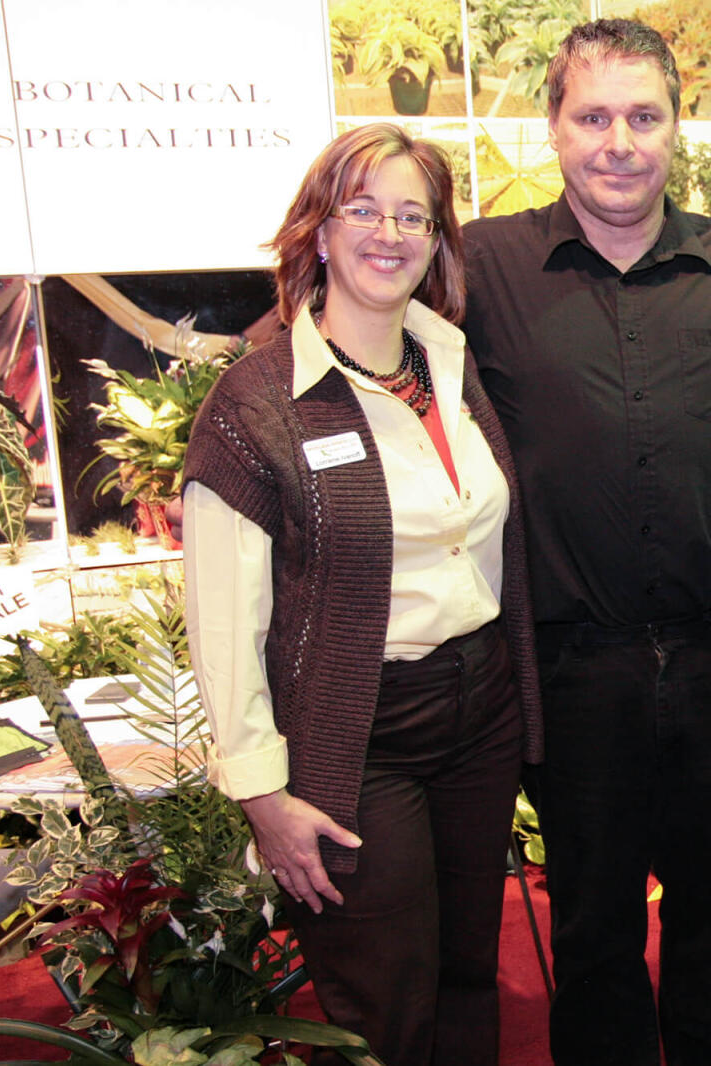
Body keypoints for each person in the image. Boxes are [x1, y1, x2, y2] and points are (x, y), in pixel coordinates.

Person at [460, 19, 711, 1066]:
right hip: (569, 661)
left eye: (642, 117)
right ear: (554, 129)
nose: (619, 140)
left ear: (675, 130)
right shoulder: (480, 268)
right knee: (594, 918)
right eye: (594, 116)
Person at [183, 123, 541, 1066]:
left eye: (413, 215)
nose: (390, 233)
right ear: (320, 230)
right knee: (380, 998)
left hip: (477, 715)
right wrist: (262, 790)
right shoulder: (257, 403)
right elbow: (224, 622)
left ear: (437, 241)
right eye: (364, 209)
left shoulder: (449, 365)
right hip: (357, 730)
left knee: (468, 973)